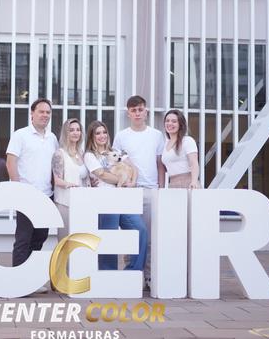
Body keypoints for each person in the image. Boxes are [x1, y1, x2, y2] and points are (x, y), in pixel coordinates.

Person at [112, 95, 165, 285]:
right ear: (128, 113)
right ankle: (132, 275)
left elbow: (160, 163)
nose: (137, 113)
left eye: (140, 109)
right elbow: (116, 164)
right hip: (129, 191)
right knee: (132, 235)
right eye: (133, 110)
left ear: (146, 111)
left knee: (149, 235)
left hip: (151, 189)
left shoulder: (156, 135)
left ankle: (148, 275)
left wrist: (160, 187)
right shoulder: (121, 136)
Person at [83, 121, 148, 271]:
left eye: (104, 132)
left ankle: (133, 272)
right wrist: (122, 179)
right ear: (92, 136)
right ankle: (108, 275)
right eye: (97, 133)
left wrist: (132, 182)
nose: (102, 136)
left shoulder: (115, 151)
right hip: (105, 200)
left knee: (140, 230)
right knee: (109, 239)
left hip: (123, 199)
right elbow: (102, 174)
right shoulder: (90, 155)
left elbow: (134, 168)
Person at [6, 98, 58, 268]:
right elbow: (11, 162)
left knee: (40, 237)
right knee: (23, 239)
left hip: (47, 196)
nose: (45, 115)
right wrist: (18, 189)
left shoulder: (52, 138)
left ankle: (30, 274)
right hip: (26, 195)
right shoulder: (20, 135)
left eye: (48, 112)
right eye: (41, 111)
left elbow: (56, 166)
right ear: (32, 114)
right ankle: (18, 277)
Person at [52, 118, 90, 240]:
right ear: (65, 133)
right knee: (65, 241)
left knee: (79, 241)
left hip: (82, 203)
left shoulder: (82, 153)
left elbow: (84, 178)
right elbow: (57, 180)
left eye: (78, 130)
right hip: (65, 203)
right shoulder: (59, 153)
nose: (75, 133)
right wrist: (71, 185)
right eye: (71, 130)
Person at [161, 109, 200, 189]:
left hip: (188, 183)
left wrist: (194, 181)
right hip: (172, 184)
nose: (170, 123)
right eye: (167, 121)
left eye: (174, 121)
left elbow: (194, 163)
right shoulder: (165, 144)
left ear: (180, 124)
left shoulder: (187, 140)